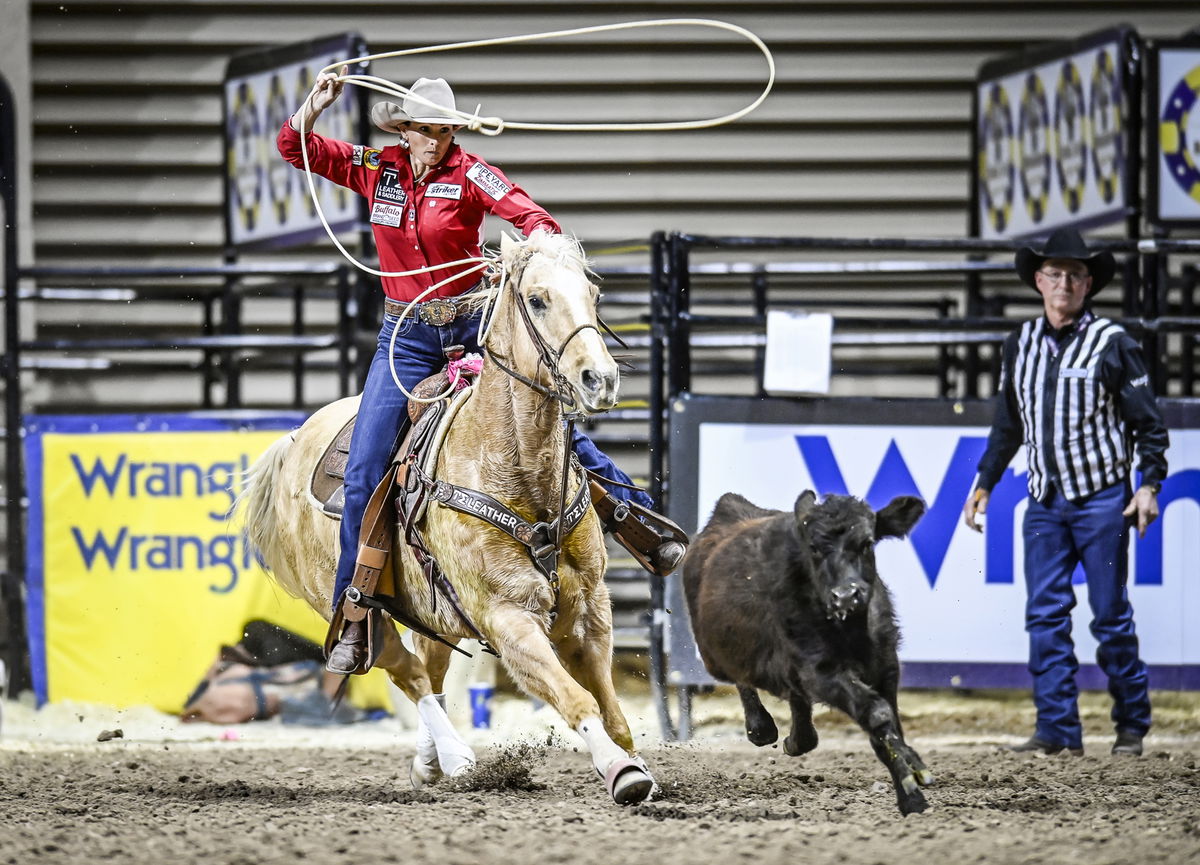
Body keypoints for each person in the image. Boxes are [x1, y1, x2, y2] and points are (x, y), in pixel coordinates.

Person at [277, 71, 686, 675]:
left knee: (545, 434)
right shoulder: (375, 168)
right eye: (428, 129)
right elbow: (295, 148)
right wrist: (316, 104)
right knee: (365, 468)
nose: (438, 139)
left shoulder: (471, 173)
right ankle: (355, 610)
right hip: (407, 338)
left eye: (446, 130)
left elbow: (534, 218)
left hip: (471, 325)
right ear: (407, 130)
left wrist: (535, 255)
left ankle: (630, 514)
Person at [962, 227, 1168, 758]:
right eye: (1055, 273)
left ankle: (1131, 725)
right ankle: (1057, 730)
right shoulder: (1019, 344)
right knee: (1045, 616)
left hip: (1102, 500)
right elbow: (1008, 424)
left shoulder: (1113, 344)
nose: (1065, 283)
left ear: (1088, 285)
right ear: (1038, 279)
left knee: (1108, 615)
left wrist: (1148, 484)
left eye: (1076, 275)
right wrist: (985, 480)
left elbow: (1149, 425)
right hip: (1045, 502)